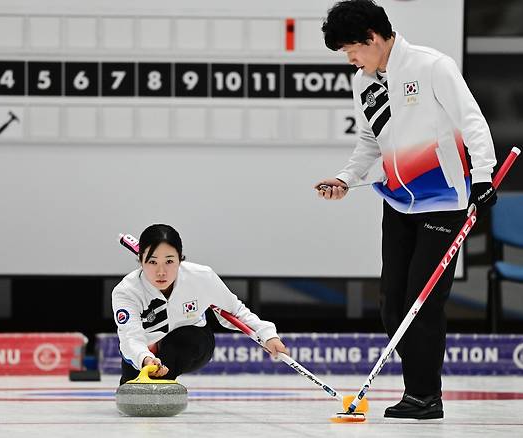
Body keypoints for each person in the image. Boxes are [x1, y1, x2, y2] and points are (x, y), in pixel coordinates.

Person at [317, 0, 497, 420]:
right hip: (397, 201)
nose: (351, 60)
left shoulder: (432, 66)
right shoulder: (364, 82)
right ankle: (416, 390)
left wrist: (484, 175)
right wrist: (346, 179)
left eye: (351, 50)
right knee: (392, 304)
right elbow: (369, 142)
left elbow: (472, 121)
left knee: (424, 301)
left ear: (374, 38)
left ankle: (424, 395)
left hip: (445, 201)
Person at [112, 224, 288, 384]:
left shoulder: (201, 277)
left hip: (191, 343)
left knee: (181, 343)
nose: (161, 271)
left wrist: (267, 335)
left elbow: (236, 311)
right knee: (129, 389)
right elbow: (131, 338)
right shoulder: (126, 292)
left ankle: (163, 382)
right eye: (152, 262)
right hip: (144, 350)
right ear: (141, 260)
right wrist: (145, 359)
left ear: (180, 259)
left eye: (169, 261)